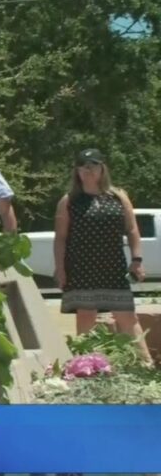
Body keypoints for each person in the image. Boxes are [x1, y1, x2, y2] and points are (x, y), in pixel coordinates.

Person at [53, 148, 152, 365]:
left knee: (127, 316)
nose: (88, 170)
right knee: (86, 317)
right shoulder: (69, 201)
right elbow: (60, 238)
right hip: (81, 268)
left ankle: (146, 365)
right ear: (77, 171)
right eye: (83, 166)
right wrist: (60, 269)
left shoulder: (118, 196)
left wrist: (137, 260)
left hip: (114, 267)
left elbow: (133, 230)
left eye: (93, 166)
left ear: (102, 169)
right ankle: (85, 367)